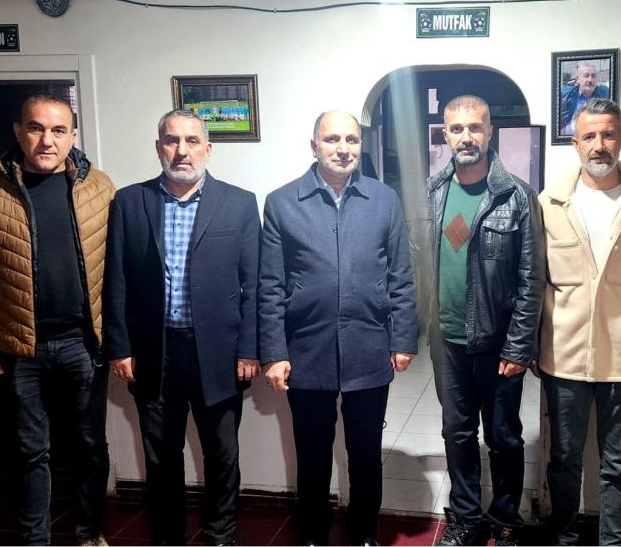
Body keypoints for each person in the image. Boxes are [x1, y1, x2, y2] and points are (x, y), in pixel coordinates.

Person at [258, 110, 418, 546]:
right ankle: (313, 531)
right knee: (312, 453)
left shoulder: (384, 200)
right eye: (332, 139)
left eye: (351, 139)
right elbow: (269, 284)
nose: (343, 148)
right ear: (314, 146)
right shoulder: (282, 202)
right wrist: (274, 351)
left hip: (369, 346)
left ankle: (364, 530)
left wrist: (404, 337)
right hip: (306, 349)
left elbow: (401, 275)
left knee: (365, 452)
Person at [104, 109, 261, 546]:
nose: (181, 150)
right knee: (161, 458)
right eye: (172, 140)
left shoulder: (240, 203)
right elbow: (116, 279)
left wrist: (250, 348)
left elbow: (255, 283)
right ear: (159, 148)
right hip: (154, 353)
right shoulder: (129, 202)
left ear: (207, 149)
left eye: (192, 141)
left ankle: (219, 537)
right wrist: (119, 347)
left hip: (220, 354)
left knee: (222, 456)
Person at [0, 94, 115, 546]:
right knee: (30, 450)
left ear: (73, 136)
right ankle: (35, 539)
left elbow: (116, 270)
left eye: (58, 131)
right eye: (36, 128)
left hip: (84, 344)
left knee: (90, 445)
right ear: (18, 132)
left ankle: (89, 534)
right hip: (20, 346)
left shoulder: (100, 188)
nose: (47, 140)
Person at [539, 98, 621, 545]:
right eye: (589, 136)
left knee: (619, 466)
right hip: (563, 358)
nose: (599, 145)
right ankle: (563, 537)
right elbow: (536, 281)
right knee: (563, 460)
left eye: (608, 134)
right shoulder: (549, 202)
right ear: (575, 143)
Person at [427, 94, 545, 546]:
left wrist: (520, 346)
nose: (466, 137)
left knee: (504, 436)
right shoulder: (431, 192)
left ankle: (506, 519)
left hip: (499, 343)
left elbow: (532, 278)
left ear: (490, 131)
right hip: (447, 342)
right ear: (445, 134)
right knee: (457, 433)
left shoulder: (517, 195)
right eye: (457, 129)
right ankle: (465, 518)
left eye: (475, 127)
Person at [560, 63, 610, 136]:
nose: (590, 80)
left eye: (593, 76)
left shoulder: (606, 95)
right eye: (586, 76)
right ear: (578, 79)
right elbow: (558, 124)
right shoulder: (565, 95)